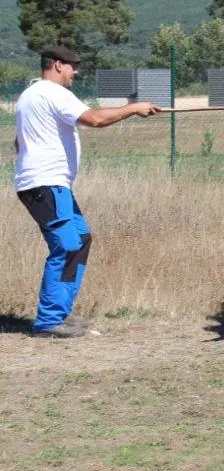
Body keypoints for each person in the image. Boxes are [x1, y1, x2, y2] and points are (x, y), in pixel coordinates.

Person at [14, 44, 161, 338]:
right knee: (67, 244)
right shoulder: (53, 93)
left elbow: (18, 143)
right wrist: (133, 108)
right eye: (72, 65)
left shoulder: (30, 95)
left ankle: (61, 313)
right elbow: (94, 119)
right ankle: (48, 321)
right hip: (46, 184)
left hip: (50, 184)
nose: (75, 71)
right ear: (57, 65)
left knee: (80, 239)